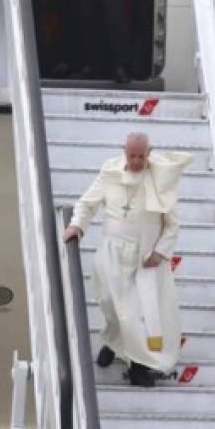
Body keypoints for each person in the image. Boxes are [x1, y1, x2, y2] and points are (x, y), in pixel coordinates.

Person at [63, 132, 192, 386]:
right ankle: (113, 341)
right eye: (131, 155)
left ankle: (139, 368)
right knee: (111, 305)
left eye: (141, 156)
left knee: (134, 314)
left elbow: (172, 224)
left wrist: (160, 251)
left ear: (149, 152)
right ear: (124, 151)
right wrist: (77, 225)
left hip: (144, 259)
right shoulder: (110, 171)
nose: (136, 161)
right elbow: (87, 204)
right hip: (112, 253)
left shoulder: (159, 178)